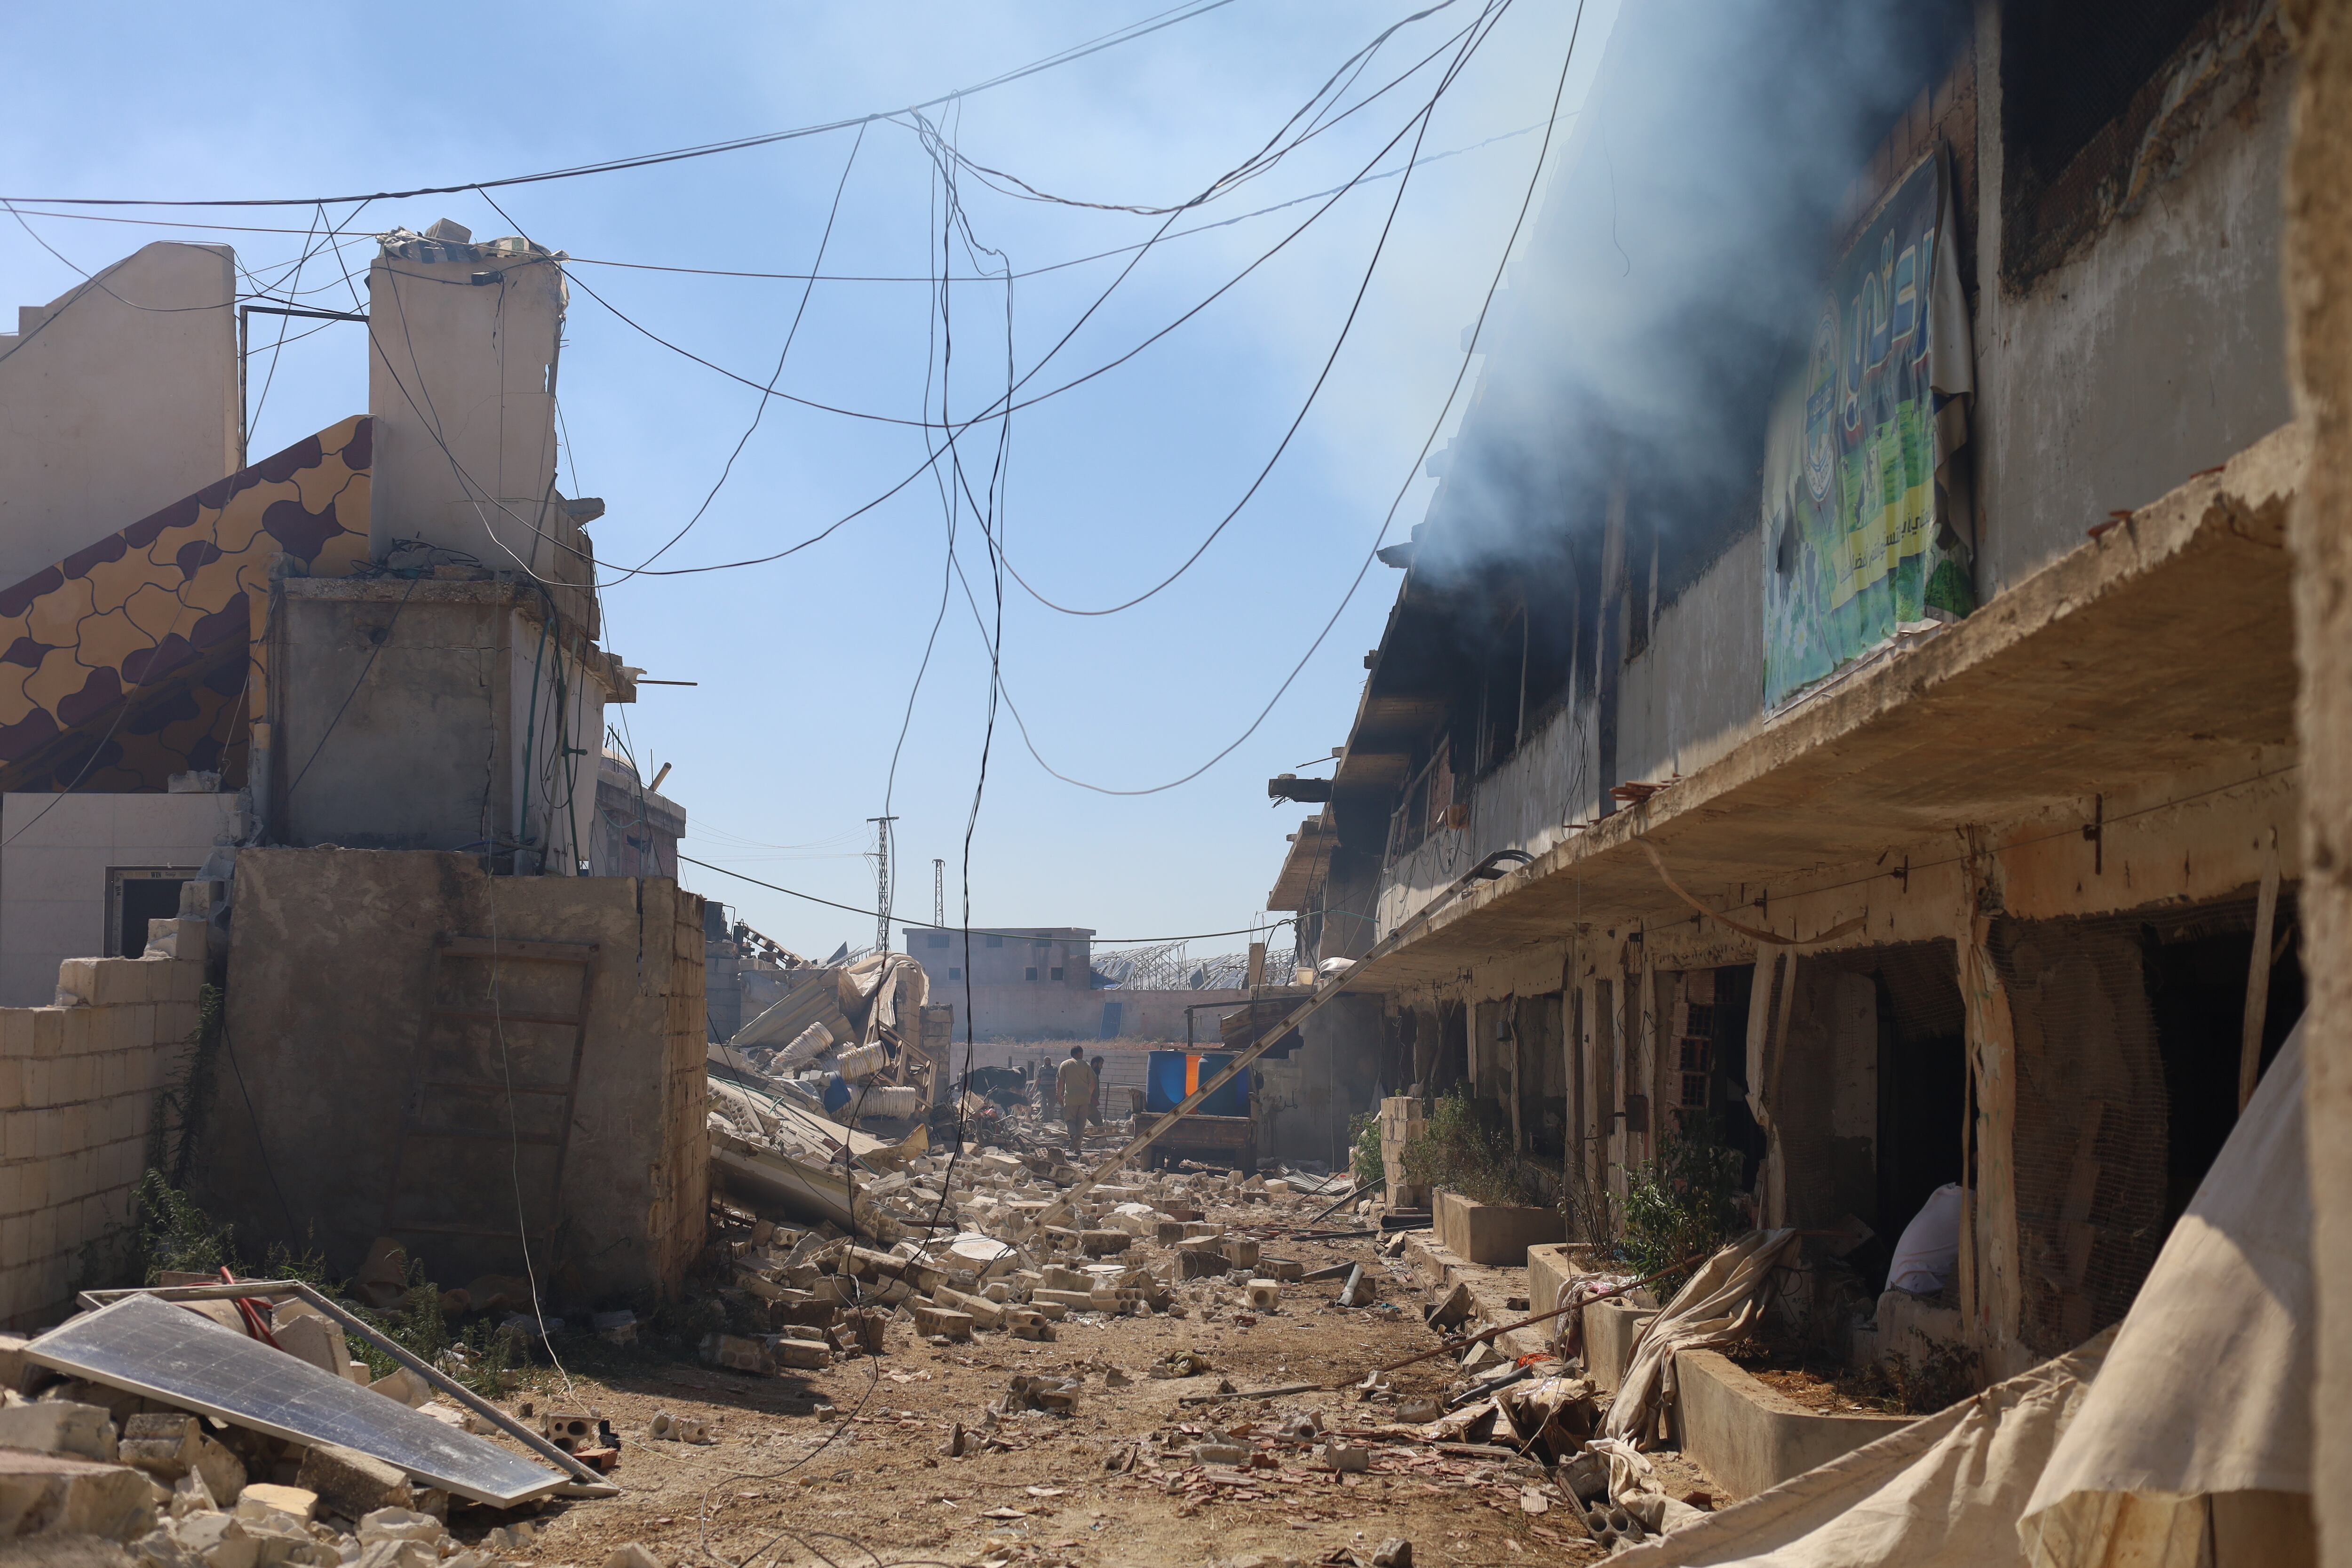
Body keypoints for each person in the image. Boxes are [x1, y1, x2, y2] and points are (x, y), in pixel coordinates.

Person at [1054, 1045, 1094, 1155]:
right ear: (1079, 1053)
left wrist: (1059, 1095)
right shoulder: (1086, 1065)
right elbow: (1093, 1082)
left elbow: (1061, 1082)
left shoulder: (1065, 1064)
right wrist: (1089, 1095)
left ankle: (1073, 1135)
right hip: (1084, 1099)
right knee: (1081, 1124)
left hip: (1071, 1098)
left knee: (1070, 1120)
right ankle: (1077, 1149)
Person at [1089, 1054, 1107, 1127]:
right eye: (1101, 1064)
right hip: (1087, 1104)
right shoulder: (1089, 1074)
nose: (1102, 1067)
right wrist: (1093, 1099)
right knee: (1099, 1123)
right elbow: (1086, 1089)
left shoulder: (1094, 1074)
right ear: (1095, 1064)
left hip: (1090, 1104)